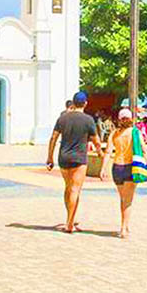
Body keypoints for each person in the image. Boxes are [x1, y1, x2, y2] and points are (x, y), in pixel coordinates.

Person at [45, 91, 101, 233]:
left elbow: (53, 138)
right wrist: (100, 152)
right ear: (86, 103)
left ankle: (69, 218)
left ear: (73, 103)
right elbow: (96, 140)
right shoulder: (88, 120)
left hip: (63, 157)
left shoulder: (63, 118)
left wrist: (50, 157)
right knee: (75, 189)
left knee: (68, 187)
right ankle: (70, 223)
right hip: (79, 159)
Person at [103, 108, 142, 239]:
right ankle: (124, 228)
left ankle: (125, 224)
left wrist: (103, 168)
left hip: (117, 167)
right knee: (128, 200)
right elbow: (143, 149)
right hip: (130, 167)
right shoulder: (135, 133)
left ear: (119, 119)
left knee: (123, 198)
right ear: (131, 118)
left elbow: (108, 152)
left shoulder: (114, 134)